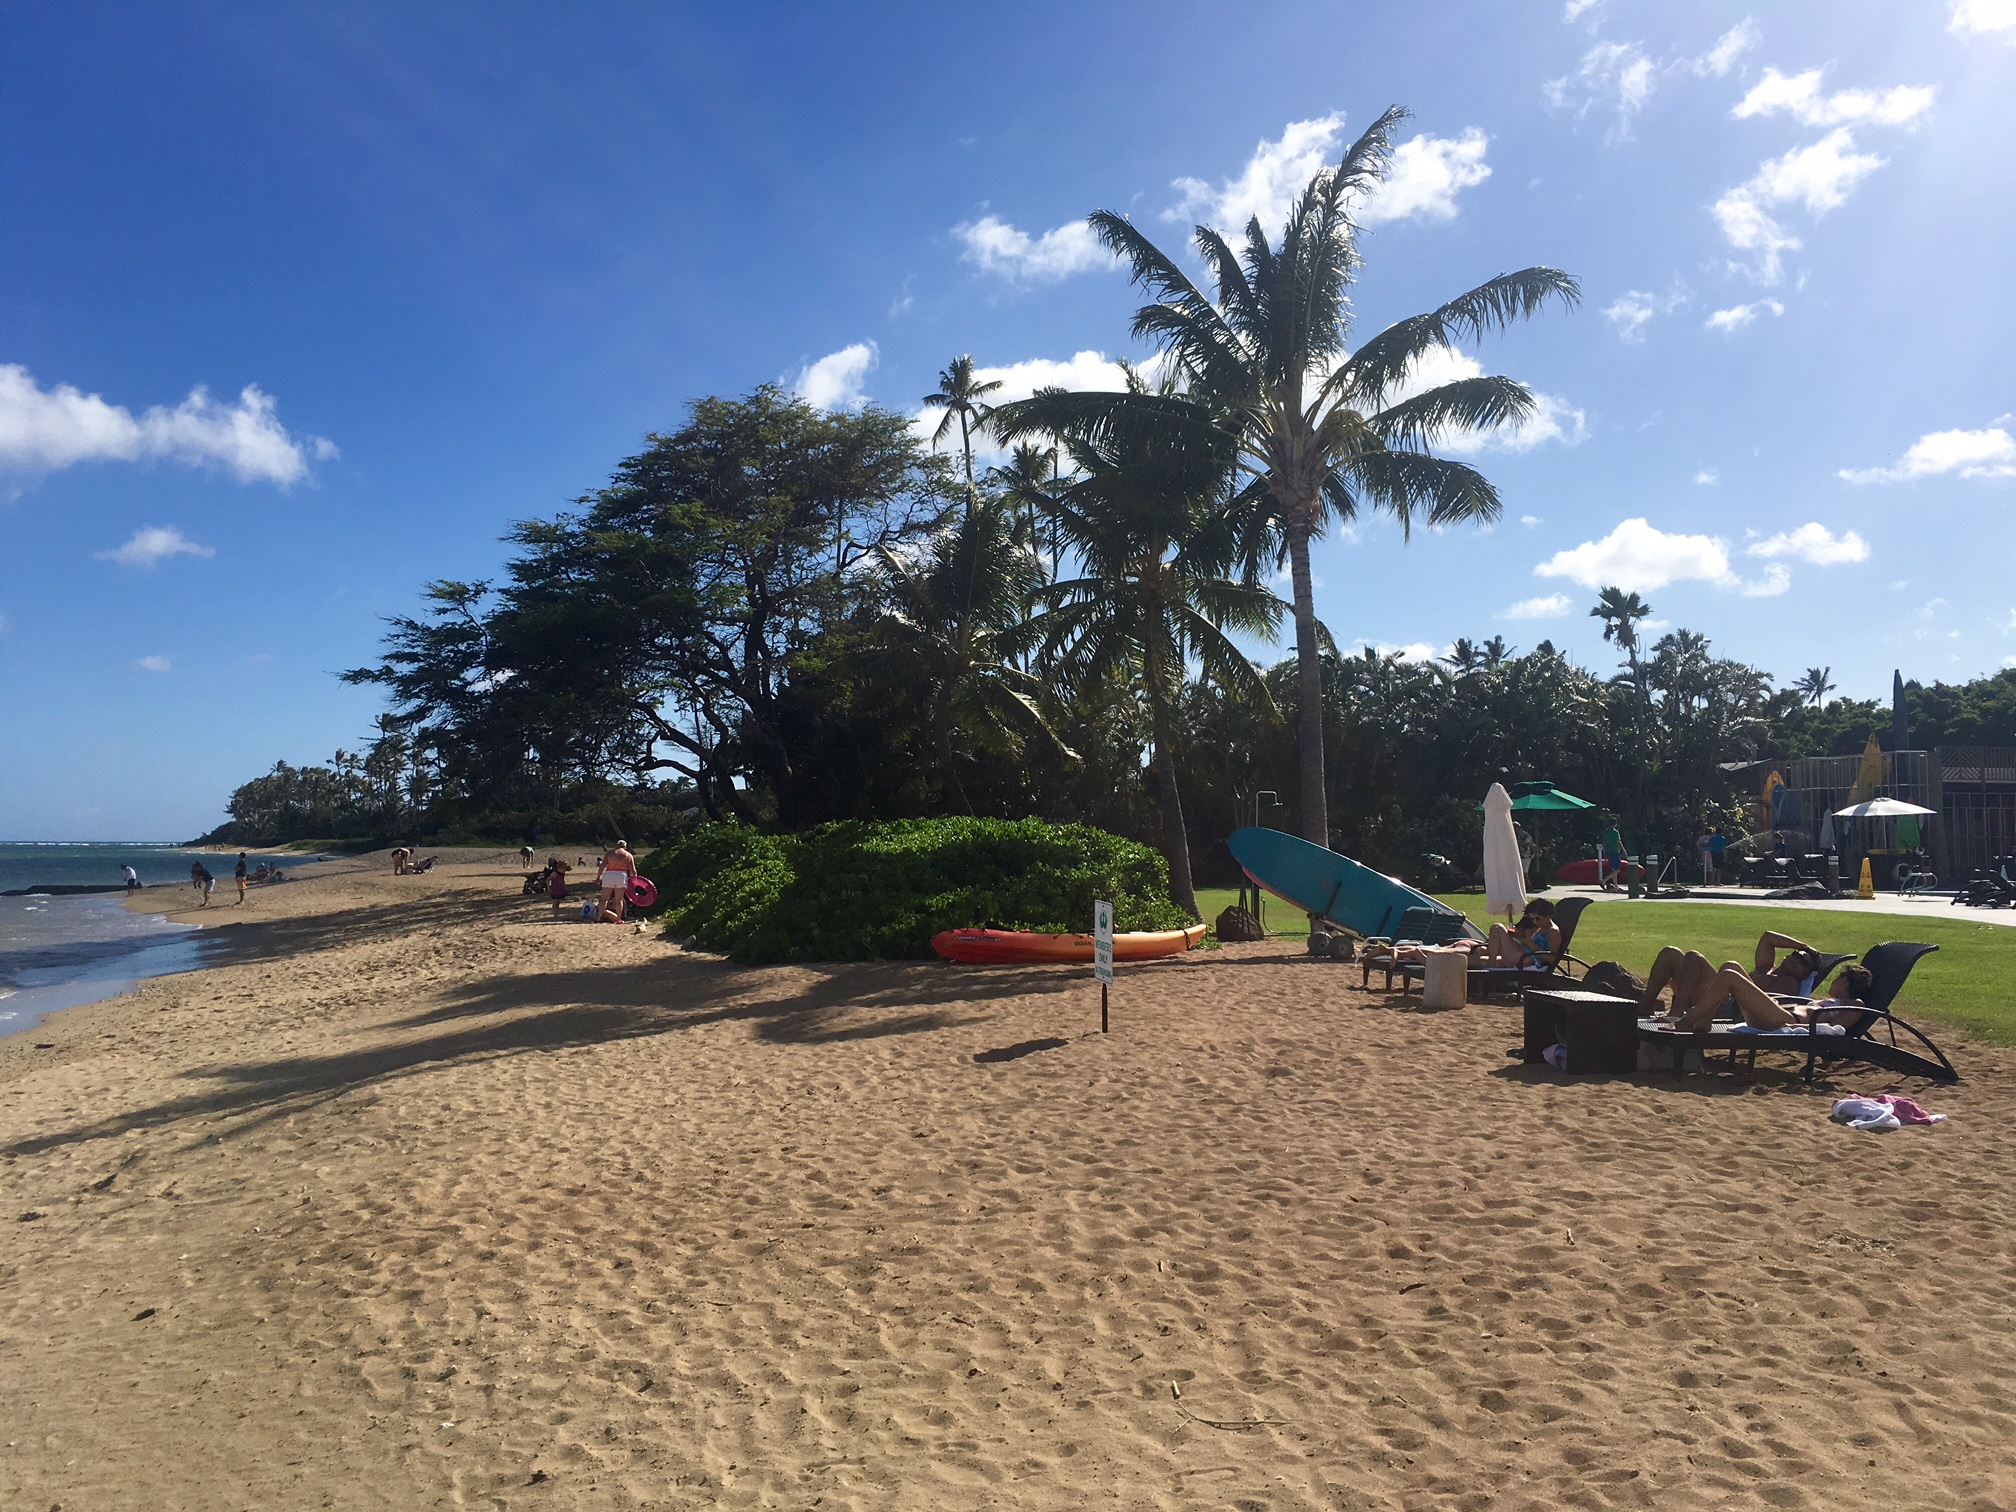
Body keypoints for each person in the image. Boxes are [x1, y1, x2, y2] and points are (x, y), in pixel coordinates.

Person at [1642, 930, 1843, 1020]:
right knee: (1671, 954)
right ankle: (1645, 1006)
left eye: (1803, 963)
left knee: (1694, 957)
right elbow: (1767, 937)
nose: (1796, 960)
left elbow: (1761, 1003)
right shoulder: (1766, 968)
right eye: (1795, 955)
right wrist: (1803, 946)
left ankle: (1676, 1013)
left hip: (1727, 1004)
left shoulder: (1791, 985)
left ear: (1807, 974)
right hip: (1714, 996)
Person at [1655, 959, 1874, 1034]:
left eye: (1838, 979)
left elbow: (1837, 1030)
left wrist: (1797, 1030)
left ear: (1845, 982)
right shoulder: (1830, 1003)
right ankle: (1703, 1022)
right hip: (1776, 1012)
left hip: (1784, 1022)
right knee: (1730, 966)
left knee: (1730, 976)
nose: (1833, 983)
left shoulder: (1855, 1004)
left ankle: (1686, 1022)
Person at [1471, 897, 1561, 970]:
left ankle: (1491, 968)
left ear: (1548, 915)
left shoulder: (1553, 931)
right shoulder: (1540, 928)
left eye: (1537, 918)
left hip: (1528, 960)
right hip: (1522, 956)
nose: (1534, 922)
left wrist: (1530, 944)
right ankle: (1489, 965)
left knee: (1497, 927)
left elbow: (1552, 959)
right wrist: (1520, 938)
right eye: (1532, 919)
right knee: (1472, 961)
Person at [598, 839, 635, 923]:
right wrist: (635, 880)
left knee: (604, 899)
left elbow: (602, 866)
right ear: (625, 847)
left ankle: (598, 917)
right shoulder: (628, 855)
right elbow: (633, 870)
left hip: (609, 874)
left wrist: (598, 877)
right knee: (619, 899)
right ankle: (618, 919)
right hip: (621, 875)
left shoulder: (610, 853)